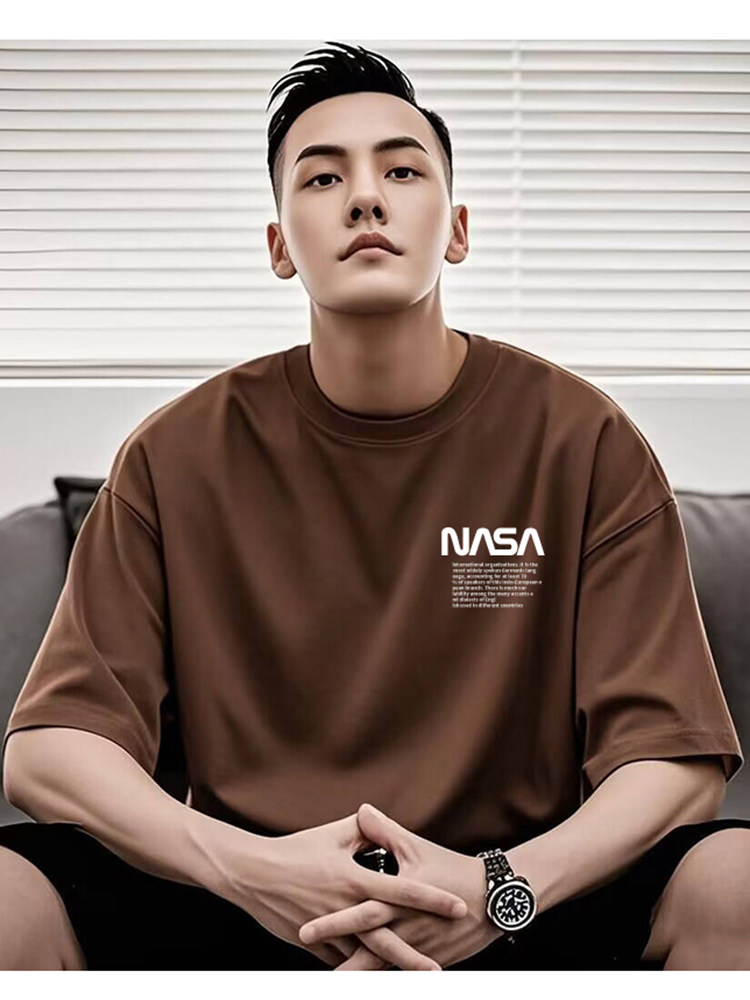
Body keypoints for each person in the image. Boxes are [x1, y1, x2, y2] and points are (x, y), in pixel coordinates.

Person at [0, 40, 748, 972]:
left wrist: (498, 888)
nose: (364, 197)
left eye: (401, 169)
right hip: (252, 902)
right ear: (280, 247)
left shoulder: (584, 442)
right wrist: (251, 871)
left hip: (518, 902)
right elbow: (50, 750)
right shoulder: (172, 458)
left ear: (457, 230)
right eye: (322, 178)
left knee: (736, 879)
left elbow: (675, 763)